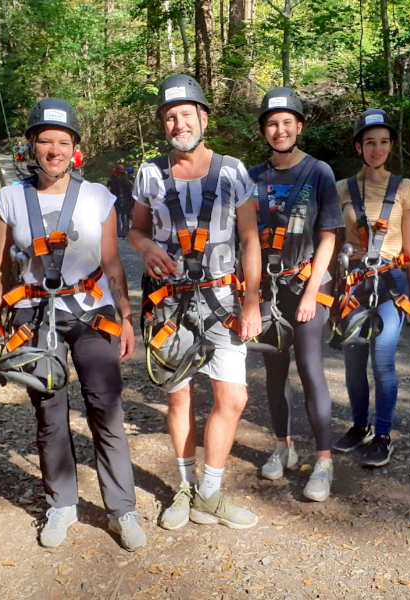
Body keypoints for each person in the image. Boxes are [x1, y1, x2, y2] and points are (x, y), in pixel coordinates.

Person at [0, 98, 147, 550]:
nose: (54, 150)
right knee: (49, 411)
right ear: (32, 145)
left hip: (92, 311)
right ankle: (62, 503)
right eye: (45, 141)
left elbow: (112, 263)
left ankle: (122, 509)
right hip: (35, 314)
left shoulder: (98, 196)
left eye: (63, 142)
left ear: (75, 150)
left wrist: (126, 317)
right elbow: (1, 271)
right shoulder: (10, 200)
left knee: (105, 408)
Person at [130, 74, 262, 530]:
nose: (178, 123)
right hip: (170, 304)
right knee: (179, 397)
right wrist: (146, 247)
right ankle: (186, 488)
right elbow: (136, 229)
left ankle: (210, 493)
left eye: (186, 114)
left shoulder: (233, 171)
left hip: (224, 299)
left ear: (204, 117)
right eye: (170, 117)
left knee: (233, 396)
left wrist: (252, 301)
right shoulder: (149, 173)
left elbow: (250, 238)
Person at [248, 88, 344, 502]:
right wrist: (250, 293)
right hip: (269, 287)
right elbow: (246, 239)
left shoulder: (318, 172)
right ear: (264, 130)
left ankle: (324, 460)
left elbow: (329, 237)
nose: (280, 130)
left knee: (309, 367)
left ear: (300, 126)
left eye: (287, 122)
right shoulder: (254, 177)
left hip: (309, 284)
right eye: (272, 123)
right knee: (273, 368)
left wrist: (309, 294)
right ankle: (282, 445)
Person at [331, 109, 410, 467]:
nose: (377, 149)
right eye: (369, 142)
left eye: (384, 142)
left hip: (391, 281)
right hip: (354, 281)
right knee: (354, 360)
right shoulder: (342, 189)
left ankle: (383, 434)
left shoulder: (404, 188)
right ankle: (360, 426)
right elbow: (333, 241)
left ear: (391, 146)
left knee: (382, 360)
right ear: (359, 147)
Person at [108, 164, 133, 239]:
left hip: (116, 200)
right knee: (123, 216)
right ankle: (123, 233)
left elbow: (109, 191)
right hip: (124, 200)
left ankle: (119, 233)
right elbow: (130, 192)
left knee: (118, 216)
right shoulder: (127, 182)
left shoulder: (112, 182)